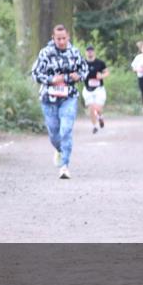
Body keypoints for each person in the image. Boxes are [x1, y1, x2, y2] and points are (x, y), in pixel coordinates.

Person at [31, 24, 88, 179]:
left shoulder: (74, 52)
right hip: (48, 98)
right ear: (53, 38)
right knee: (54, 133)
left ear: (68, 37)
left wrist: (78, 76)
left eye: (64, 38)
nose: (62, 42)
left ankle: (64, 166)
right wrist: (51, 79)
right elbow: (35, 73)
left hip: (69, 96)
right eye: (58, 39)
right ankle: (59, 150)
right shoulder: (45, 53)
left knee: (66, 130)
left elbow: (85, 70)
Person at [81, 46, 109, 134]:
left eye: (91, 51)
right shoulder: (82, 63)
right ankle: (94, 126)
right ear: (86, 53)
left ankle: (100, 117)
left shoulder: (100, 63)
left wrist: (101, 76)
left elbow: (107, 72)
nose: (90, 53)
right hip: (87, 89)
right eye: (88, 51)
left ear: (94, 52)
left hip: (99, 89)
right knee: (91, 108)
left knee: (98, 108)